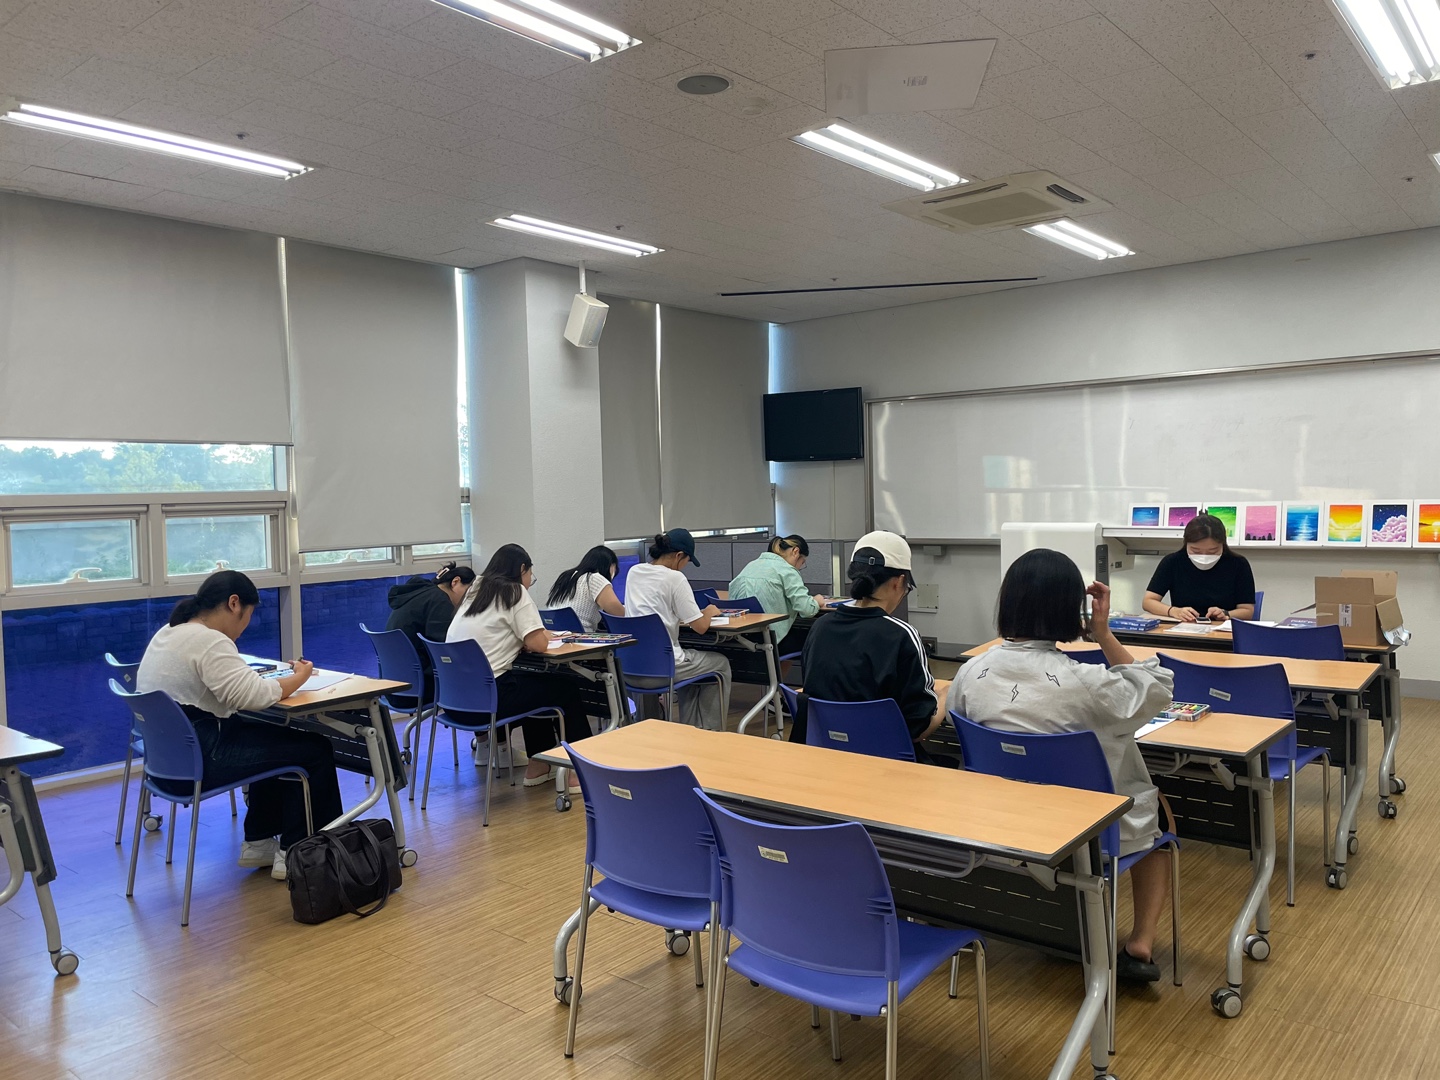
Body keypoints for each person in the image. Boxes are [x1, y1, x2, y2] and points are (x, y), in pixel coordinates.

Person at [949, 548, 1175, 983]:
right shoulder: (1087, 683)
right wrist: (1103, 634)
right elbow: (1156, 689)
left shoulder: (970, 672)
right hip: (1083, 829)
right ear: (1071, 609)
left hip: (999, 820)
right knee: (1160, 814)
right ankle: (1140, 943)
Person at [135, 570, 343, 882]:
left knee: (272, 740)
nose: (246, 625)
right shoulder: (209, 640)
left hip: (167, 766)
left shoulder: (170, 631)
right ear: (234, 604)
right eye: (249, 614)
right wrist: (299, 677)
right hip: (204, 759)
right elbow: (252, 696)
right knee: (314, 749)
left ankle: (259, 841)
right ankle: (300, 853)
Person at [445, 544, 592, 789]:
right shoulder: (514, 591)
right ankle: (581, 772)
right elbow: (538, 643)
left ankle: (538, 766)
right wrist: (531, 640)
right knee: (566, 689)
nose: (530, 582)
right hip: (488, 701)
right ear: (522, 569)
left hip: (455, 702)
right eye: (530, 575)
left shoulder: (475, 590)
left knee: (533, 683)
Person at [791, 531, 949, 752]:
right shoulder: (902, 635)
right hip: (884, 759)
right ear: (899, 582)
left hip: (825, 754)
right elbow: (917, 728)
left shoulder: (820, 627)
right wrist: (946, 697)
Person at [622, 528, 732, 731]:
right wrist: (709, 612)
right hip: (665, 667)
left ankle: (648, 729)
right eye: (687, 562)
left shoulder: (634, 572)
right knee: (720, 664)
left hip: (632, 667)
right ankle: (709, 732)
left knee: (691, 663)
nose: (684, 567)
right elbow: (700, 627)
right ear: (679, 555)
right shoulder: (675, 578)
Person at [385, 560, 476, 702]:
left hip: (394, 685)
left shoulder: (421, 593)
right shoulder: (440, 601)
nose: (467, 600)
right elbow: (445, 648)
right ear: (455, 582)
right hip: (416, 687)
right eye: (469, 592)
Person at [1142, 514, 1256, 623]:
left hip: (1223, 630)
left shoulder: (1238, 564)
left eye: (1213, 551)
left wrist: (1226, 614)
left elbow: (1247, 611)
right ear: (1186, 543)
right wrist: (1173, 611)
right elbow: (1148, 601)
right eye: (1196, 551)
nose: (1204, 556)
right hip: (1183, 628)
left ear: (1223, 544)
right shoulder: (1172, 562)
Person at [727, 534, 827, 659]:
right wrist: (816, 601)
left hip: (742, 640)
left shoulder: (751, 566)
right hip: (770, 640)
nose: (799, 568)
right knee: (818, 639)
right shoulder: (787, 570)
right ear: (796, 551)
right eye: (802, 562)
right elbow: (807, 610)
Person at [546, 545, 626, 632]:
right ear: (611, 566)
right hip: (579, 636)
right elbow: (620, 614)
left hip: (553, 634)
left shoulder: (566, 576)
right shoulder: (594, 579)